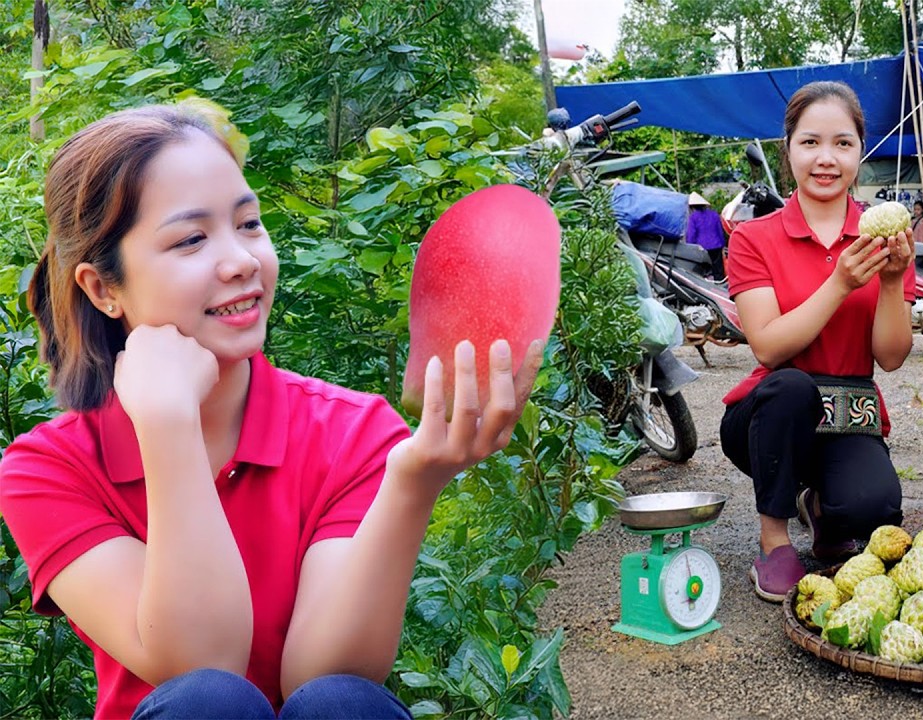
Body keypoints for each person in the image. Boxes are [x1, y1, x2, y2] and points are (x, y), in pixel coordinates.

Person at [0, 103, 543, 718]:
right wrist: (167, 425)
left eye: (249, 224)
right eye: (191, 239)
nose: (242, 261)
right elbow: (201, 666)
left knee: (341, 702)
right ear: (103, 289)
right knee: (209, 699)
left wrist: (414, 482)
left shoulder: (353, 432)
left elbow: (326, 677)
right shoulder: (49, 469)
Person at [718, 81, 917, 602]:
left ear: (860, 152)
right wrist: (841, 284)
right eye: (810, 143)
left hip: (847, 415)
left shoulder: (883, 236)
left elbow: (892, 358)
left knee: (873, 511)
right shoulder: (753, 238)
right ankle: (775, 538)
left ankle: (824, 509)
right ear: (788, 150)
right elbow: (767, 347)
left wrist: (892, 280)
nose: (826, 159)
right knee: (789, 386)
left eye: (842, 143)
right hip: (770, 417)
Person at [685, 192, 727, 281]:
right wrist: (723, 244)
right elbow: (720, 231)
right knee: (718, 271)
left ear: (692, 207)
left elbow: (691, 234)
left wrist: (689, 247)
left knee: (703, 272)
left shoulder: (693, 217)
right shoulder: (714, 214)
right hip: (716, 246)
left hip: (702, 248)